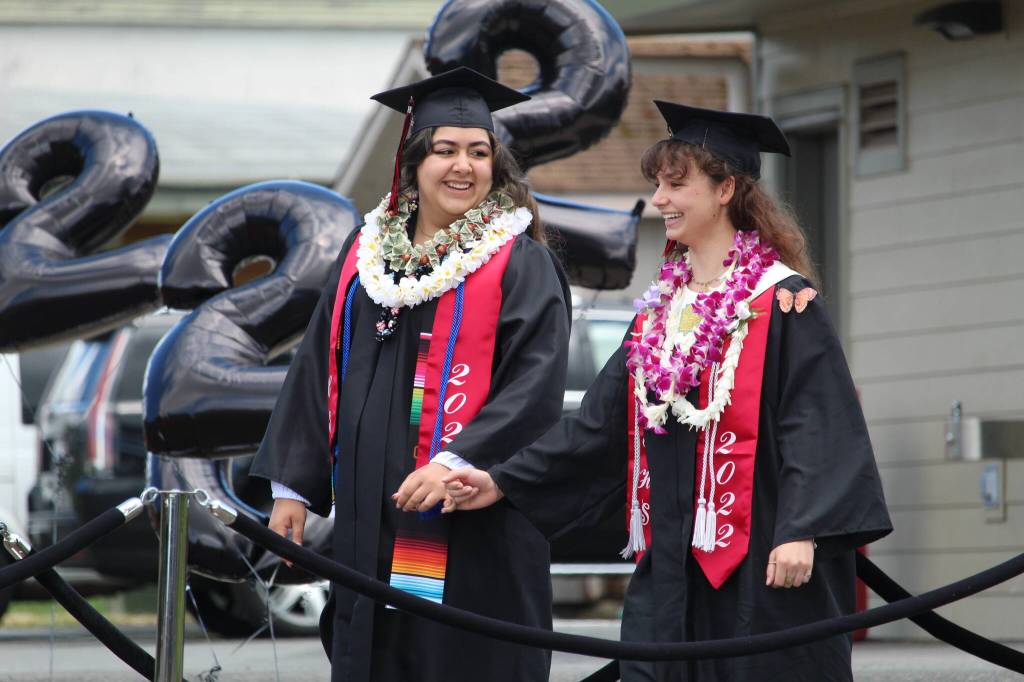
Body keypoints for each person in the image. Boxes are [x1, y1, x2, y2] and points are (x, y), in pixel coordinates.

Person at [442, 101, 893, 682]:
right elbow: (598, 423)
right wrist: (501, 480)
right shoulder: (659, 309)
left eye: (676, 185)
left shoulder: (782, 302)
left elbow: (817, 422)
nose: (659, 200)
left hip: (763, 563)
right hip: (672, 563)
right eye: (657, 184)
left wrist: (802, 531)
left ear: (726, 188)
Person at [250, 67, 570, 682]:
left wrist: (456, 460)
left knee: (451, 654)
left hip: (466, 516)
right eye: (445, 150)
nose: (463, 166)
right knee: (379, 650)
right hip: (371, 515)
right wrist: (293, 488)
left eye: (479, 152)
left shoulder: (516, 262)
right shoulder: (367, 258)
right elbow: (320, 364)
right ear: (413, 161)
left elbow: (534, 384)